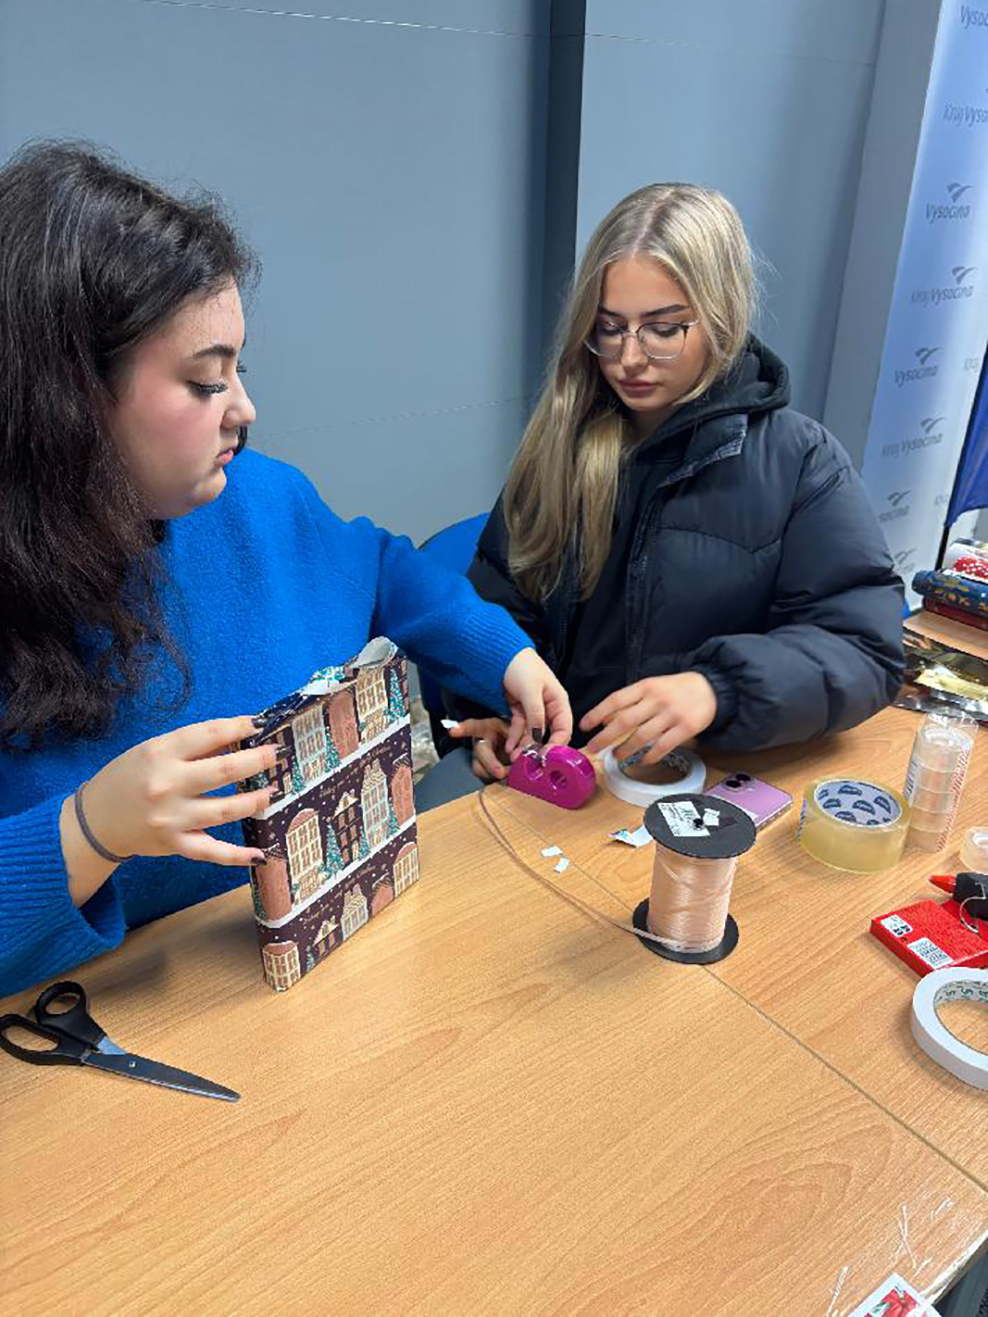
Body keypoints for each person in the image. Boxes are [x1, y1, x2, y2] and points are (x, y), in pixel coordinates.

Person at [0, 142, 571, 997]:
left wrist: (502, 652)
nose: (245, 409)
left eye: (239, 369)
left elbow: (382, 567)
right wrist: (86, 831)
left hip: (324, 978)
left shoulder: (259, 496)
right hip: (124, 1016)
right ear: (69, 399)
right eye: (206, 382)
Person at [442, 182, 903, 784]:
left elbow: (865, 649)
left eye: (662, 329)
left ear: (720, 316)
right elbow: (496, 607)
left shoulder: (800, 461)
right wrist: (492, 707)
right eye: (609, 327)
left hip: (703, 781)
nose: (628, 358)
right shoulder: (559, 446)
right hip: (563, 775)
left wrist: (718, 689)